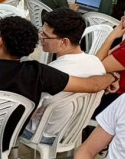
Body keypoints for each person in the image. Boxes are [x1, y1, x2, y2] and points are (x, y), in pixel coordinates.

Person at [0, 15, 115, 149]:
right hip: (12, 136)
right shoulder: (40, 73)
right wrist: (113, 77)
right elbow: (92, 85)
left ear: (0, 42)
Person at [23, 9, 110, 143]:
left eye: (45, 36)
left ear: (64, 42)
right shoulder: (97, 64)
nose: (41, 38)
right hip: (72, 133)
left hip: (41, 135)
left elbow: (28, 112)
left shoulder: (51, 73)